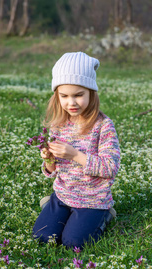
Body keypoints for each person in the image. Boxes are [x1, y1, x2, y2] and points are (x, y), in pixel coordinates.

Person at [32, 52, 120, 249]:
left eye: (78, 95)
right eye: (64, 96)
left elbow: (111, 167)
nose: (71, 102)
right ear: (57, 96)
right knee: (43, 237)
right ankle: (56, 208)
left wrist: (75, 155)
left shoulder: (103, 126)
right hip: (64, 193)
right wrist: (49, 160)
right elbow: (53, 170)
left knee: (74, 242)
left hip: (92, 199)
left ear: (91, 93)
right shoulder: (58, 125)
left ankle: (105, 214)